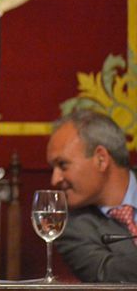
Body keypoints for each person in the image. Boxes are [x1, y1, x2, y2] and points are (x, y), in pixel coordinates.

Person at [46, 109, 137, 282]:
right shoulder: (70, 227)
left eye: (63, 165)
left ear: (101, 159)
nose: (54, 179)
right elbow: (108, 275)